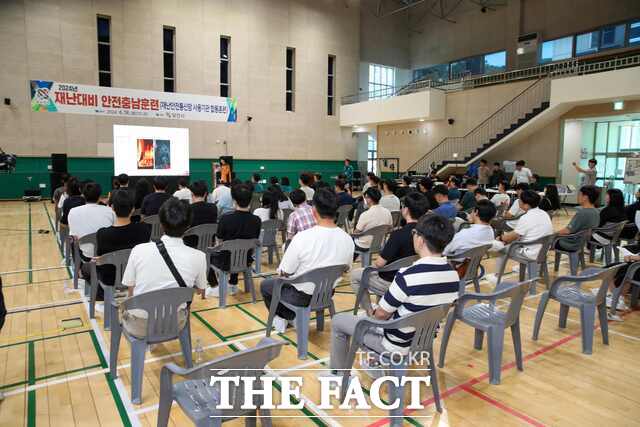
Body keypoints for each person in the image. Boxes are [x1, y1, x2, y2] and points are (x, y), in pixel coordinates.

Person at [330, 214, 459, 373]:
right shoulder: (453, 275)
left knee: (339, 321)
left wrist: (372, 313)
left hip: (395, 346)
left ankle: (338, 375)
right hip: (422, 341)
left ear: (420, 240)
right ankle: (375, 362)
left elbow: (380, 316)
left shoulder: (408, 276)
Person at [261, 189, 355, 332]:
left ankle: (286, 317)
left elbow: (284, 272)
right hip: (328, 293)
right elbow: (346, 268)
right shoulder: (348, 239)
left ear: (314, 210)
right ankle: (292, 317)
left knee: (266, 285)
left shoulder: (302, 238)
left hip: (301, 297)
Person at [121, 198, 207, 337]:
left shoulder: (139, 250)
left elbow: (130, 288)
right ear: (188, 226)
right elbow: (200, 291)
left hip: (140, 326)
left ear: (160, 224)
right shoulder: (199, 256)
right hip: (175, 323)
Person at [350, 192, 429, 303]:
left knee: (355, 275)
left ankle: (370, 312)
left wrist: (368, 269)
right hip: (415, 279)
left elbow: (379, 264)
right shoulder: (428, 233)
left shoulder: (399, 235)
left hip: (392, 282)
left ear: (406, 210)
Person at [94, 190, 152, 307]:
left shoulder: (102, 234)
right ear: (132, 209)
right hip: (137, 275)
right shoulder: (145, 229)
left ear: (112, 208)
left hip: (111, 279)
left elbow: (100, 260)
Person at [207, 183, 262, 297]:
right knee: (238, 249)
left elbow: (220, 241)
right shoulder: (257, 220)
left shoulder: (225, 219)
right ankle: (233, 283)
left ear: (234, 201)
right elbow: (253, 242)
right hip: (246, 260)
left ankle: (215, 287)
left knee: (208, 255)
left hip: (226, 262)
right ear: (250, 201)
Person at [491, 190, 553, 281]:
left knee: (501, 249)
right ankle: (525, 267)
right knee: (514, 242)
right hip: (543, 251)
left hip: (530, 253)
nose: (518, 201)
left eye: (520, 200)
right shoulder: (544, 214)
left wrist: (500, 238)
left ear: (526, 205)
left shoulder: (526, 217)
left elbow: (512, 237)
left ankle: (497, 276)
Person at [68, 181, 116, 258]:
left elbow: (74, 238)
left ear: (83, 195)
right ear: (100, 196)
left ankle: (78, 268)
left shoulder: (73, 211)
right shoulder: (110, 211)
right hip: (106, 255)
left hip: (85, 256)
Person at [555, 185, 600, 252]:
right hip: (581, 243)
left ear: (585, 197)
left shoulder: (582, 213)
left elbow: (567, 231)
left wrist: (554, 234)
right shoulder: (597, 211)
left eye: (579, 195)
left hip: (570, 244)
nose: (577, 197)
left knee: (547, 241)